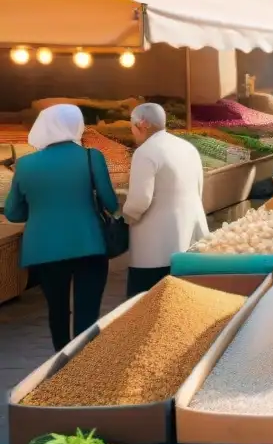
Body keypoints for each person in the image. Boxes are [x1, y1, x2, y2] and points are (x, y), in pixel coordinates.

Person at [4, 105, 118, 350]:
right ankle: (83, 363)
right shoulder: (91, 157)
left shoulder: (24, 165)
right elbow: (111, 202)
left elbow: (13, 212)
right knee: (87, 312)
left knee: (57, 310)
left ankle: (61, 362)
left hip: (44, 249)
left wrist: (39, 210)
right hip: (89, 244)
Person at [122, 103, 208, 297]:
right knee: (179, 300)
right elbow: (199, 188)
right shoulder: (187, 147)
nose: (132, 130)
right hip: (187, 238)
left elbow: (139, 201)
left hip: (154, 247)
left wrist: (125, 218)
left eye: (132, 125)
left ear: (142, 124)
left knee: (149, 304)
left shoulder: (145, 152)